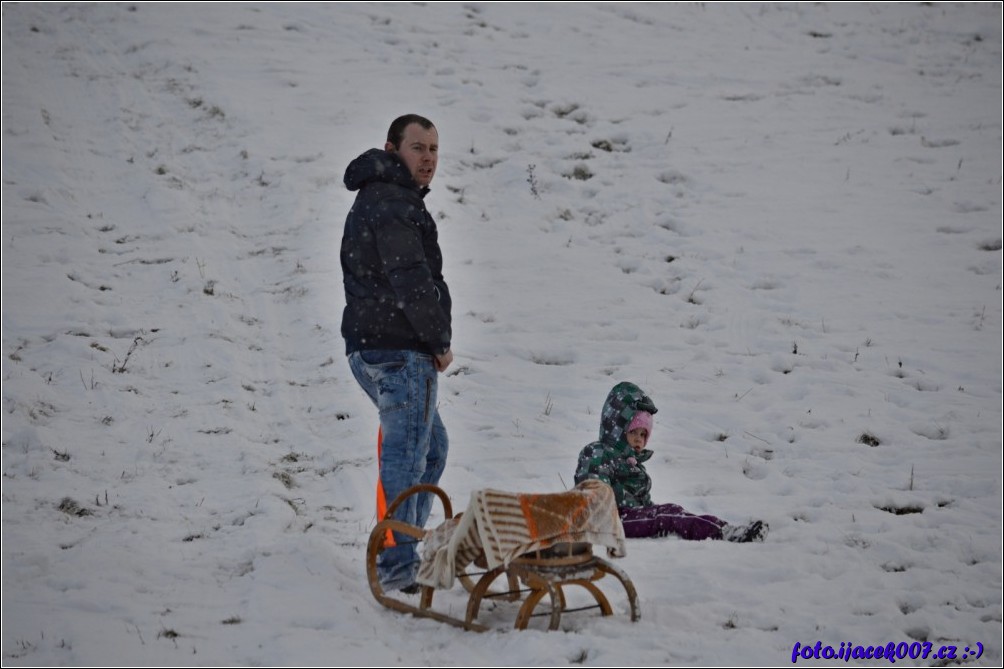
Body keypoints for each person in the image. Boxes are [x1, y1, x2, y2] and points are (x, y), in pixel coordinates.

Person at [341, 114, 454, 592]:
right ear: (392, 148)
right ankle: (396, 568)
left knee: (432, 448)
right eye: (417, 147)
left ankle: (405, 546)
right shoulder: (392, 203)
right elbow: (411, 279)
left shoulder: (385, 197)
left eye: (433, 149)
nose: (427, 158)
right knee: (408, 458)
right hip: (399, 348)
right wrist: (438, 341)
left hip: (374, 345)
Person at [574, 382, 768, 543]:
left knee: (669, 511)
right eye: (634, 432)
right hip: (607, 521)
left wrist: (647, 509)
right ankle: (724, 534)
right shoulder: (598, 452)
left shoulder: (634, 465)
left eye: (644, 434)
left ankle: (724, 528)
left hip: (624, 516)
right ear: (618, 428)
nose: (640, 439)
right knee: (666, 517)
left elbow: (643, 503)